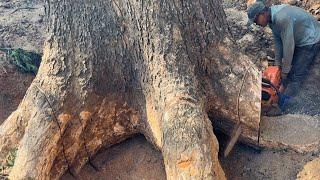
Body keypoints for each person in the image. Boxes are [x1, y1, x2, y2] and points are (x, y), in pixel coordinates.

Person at [247, 1, 320, 115]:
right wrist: (277, 65)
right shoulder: (271, 19)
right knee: (286, 68)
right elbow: (278, 41)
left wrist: (285, 71)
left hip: (311, 38)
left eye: (256, 20)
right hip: (299, 36)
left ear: (262, 13)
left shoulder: (281, 18)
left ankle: (286, 106)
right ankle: (281, 92)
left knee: (295, 74)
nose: (256, 23)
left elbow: (288, 45)